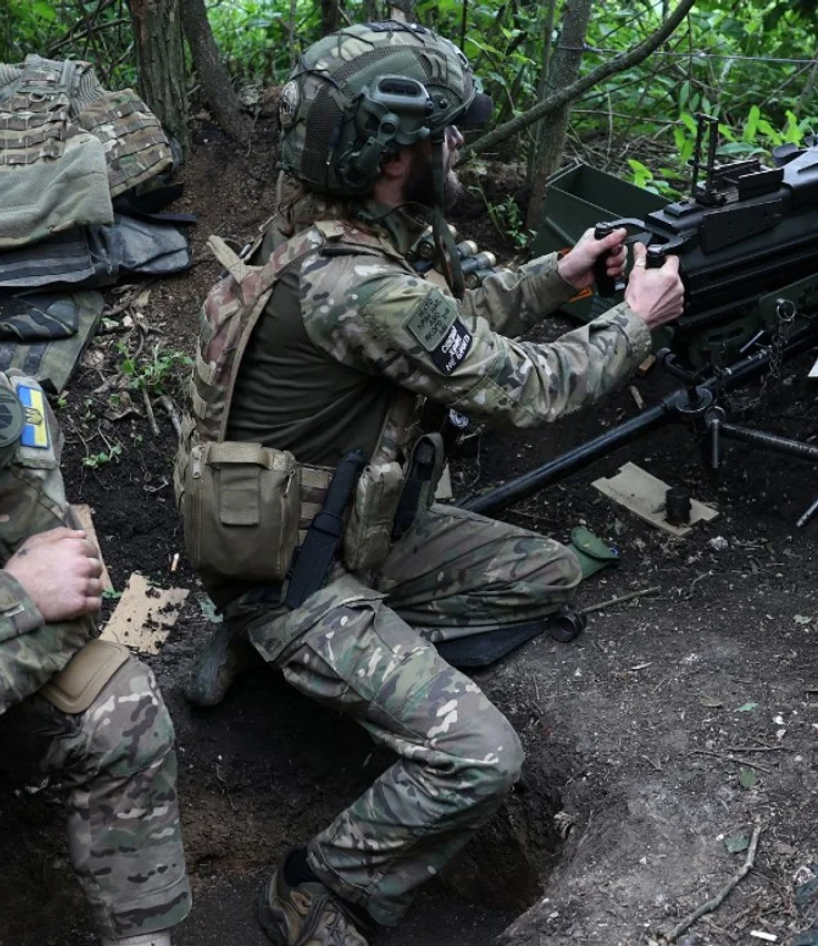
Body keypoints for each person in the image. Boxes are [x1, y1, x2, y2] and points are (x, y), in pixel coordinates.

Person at [173, 20, 685, 946]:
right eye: (442, 132)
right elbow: (524, 387)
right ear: (387, 152)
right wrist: (633, 323)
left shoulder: (353, 229)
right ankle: (316, 884)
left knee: (544, 573)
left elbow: (456, 316)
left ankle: (325, 652)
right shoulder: (359, 286)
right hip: (295, 577)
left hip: (340, 533)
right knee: (479, 756)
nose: (458, 144)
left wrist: (559, 276)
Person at [0, 373, 190, 946]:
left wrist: (29, 598)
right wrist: (14, 595)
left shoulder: (10, 416)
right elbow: (33, 594)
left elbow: (69, 602)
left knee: (118, 701)